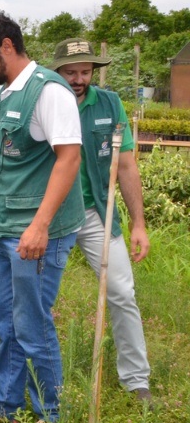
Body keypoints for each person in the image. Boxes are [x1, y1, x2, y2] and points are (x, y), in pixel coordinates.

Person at [0, 13, 85, 423]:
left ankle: (50, 417)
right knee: (6, 321)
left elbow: (69, 160)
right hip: (6, 229)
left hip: (36, 233)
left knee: (32, 325)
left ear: (7, 46)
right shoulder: (8, 92)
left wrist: (41, 225)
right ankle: (6, 407)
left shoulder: (48, 92)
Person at [50, 37, 152, 403]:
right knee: (38, 298)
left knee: (123, 292)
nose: (79, 79)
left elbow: (125, 165)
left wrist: (138, 223)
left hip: (96, 214)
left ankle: (137, 379)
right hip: (51, 216)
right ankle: (42, 380)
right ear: (56, 70)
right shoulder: (44, 101)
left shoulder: (109, 103)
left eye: (86, 71)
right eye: (71, 71)